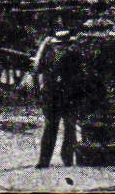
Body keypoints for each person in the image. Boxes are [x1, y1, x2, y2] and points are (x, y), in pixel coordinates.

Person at [35, 30, 84, 168]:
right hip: (60, 97)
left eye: (61, 45)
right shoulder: (72, 54)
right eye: (58, 45)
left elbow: (39, 70)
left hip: (61, 96)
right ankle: (58, 158)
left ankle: (51, 159)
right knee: (65, 128)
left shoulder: (55, 54)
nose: (60, 47)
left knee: (60, 128)